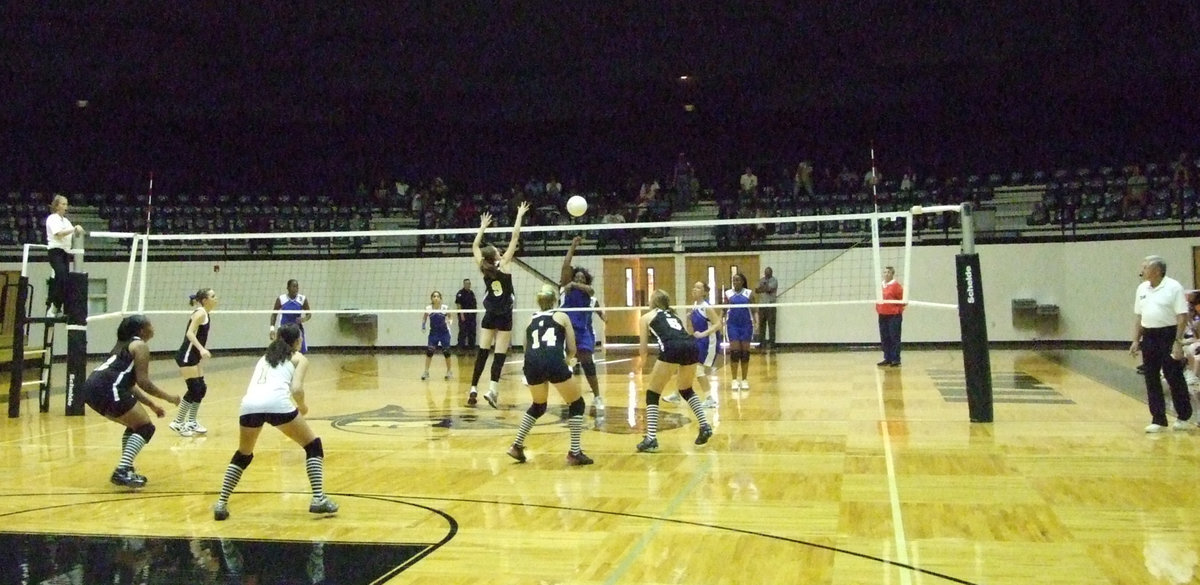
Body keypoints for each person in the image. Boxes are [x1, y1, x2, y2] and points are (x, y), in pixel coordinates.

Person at [212, 323, 338, 520]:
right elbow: (296, 389)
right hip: (277, 404)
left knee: (243, 454)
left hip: (249, 406)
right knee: (313, 445)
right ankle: (319, 499)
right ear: (297, 341)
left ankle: (221, 503)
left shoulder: (264, 357)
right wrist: (302, 407)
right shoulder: (298, 358)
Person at [82, 315, 181, 488]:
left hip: (92, 388)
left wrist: (151, 405)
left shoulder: (122, 345)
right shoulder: (140, 346)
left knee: (135, 426)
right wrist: (168, 397)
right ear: (142, 330)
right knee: (146, 428)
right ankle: (122, 469)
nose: (153, 328)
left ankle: (126, 468)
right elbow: (144, 382)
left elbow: (128, 384)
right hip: (107, 387)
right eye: (150, 325)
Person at [506, 284, 594, 466]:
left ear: (538, 301)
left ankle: (516, 445)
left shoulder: (531, 320)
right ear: (555, 300)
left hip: (531, 363)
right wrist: (566, 361)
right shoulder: (562, 316)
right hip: (553, 360)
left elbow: (525, 348)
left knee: (538, 406)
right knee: (577, 404)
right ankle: (575, 452)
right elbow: (572, 348)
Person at [634, 290, 714, 453]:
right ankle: (704, 425)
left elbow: (643, 349)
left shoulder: (646, 317)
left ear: (653, 302)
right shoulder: (674, 316)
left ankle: (651, 438)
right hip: (691, 346)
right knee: (686, 389)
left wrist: (640, 364)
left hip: (672, 348)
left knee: (652, 393)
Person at [468, 202, 530, 408]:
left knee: (483, 351)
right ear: (495, 254)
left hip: (490, 313)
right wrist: (519, 215)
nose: (499, 249)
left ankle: (473, 389)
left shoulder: (483, 267)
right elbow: (515, 238)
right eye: (496, 249)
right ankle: (493, 390)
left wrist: (483, 226)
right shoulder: (504, 264)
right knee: (500, 354)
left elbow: (475, 246)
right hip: (504, 315)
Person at [1132, 255, 1193, 433]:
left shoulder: (1173, 287)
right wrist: (1136, 340)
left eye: (1145, 267)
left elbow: (1182, 316)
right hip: (1149, 335)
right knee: (1151, 377)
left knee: (1173, 375)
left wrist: (1178, 342)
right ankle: (1158, 418)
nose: (1141, 271)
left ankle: (1183, 416)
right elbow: (1139, 316)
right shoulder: (1142, 288)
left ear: (1157, 271)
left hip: (1168, 334)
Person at [559, 236, 607, 412]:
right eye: (576, 277)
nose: (578, 279)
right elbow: (566, 265)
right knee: (562, 365)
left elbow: (591, 290)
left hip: (582, 332)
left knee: (587, 363)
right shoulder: (566, 286)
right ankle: (570, 396)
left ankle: (597, 396)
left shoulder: (588, 292)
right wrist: (572, 245)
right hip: (565, 331)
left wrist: (576, 284)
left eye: (582, 278)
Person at [665, 281, 723, 408]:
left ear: (704, 292)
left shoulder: (707, 307)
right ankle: (677, 394)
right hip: (698, 341)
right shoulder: (696, 305)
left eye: (698, 287)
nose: (694, 289)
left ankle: (709, 398)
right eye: (694, 287)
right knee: (685, 365)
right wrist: (691, 315)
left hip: (708, 342)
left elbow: (718, 324)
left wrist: (703, 334)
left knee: (698, 369)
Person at [170, 288, 218, 437]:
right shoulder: (200, 313)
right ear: (205, 300)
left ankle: (191, 421)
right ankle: (178, 422)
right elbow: (189, 333)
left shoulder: (206, 313)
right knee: (194, 389)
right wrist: (202, 349)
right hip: (187, 355)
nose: (216, 298)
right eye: (213, 296)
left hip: (194, 356)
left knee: (201, 388)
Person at [44, 194, 85, 318]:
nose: (65, 206)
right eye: (63, 204)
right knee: (61, 277)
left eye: (66, 204)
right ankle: (52, 305)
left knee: (64, 281)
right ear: (56, 205)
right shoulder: (52, 218)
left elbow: (73, 232)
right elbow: (59, 234)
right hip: (55, 251)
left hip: (65, 253)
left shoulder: (66, 221)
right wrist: (74, 229)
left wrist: (78, 230)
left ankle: (56, 305)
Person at [725, 272, 756, 390]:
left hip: (746, 325)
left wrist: (756, 322)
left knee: (745, 353)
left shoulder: (749, 293)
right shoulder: (728, 294)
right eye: (734, 280)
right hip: (732, 325)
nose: (735, 282)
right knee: (735, 352)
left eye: (738, 280)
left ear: (742, 281)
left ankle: (744, 379)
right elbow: (723, 309)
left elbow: (754, 309)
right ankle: (734, 380)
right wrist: (720, 321)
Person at [269, 279, 311, 353]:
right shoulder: (281, 299)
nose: (296, 289)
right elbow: (274, 314)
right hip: (284, 329)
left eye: (297, 287)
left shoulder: (302, 299)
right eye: (293, 286)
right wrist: (272, 329)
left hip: (297, 329)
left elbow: (309, 314)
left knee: (300, 352)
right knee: (282, 352)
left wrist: (303, 319)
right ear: (288, 288)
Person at [876, 266, 906, 366]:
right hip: (882, 314)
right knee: (885, 337)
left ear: (892, 274)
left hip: (894, 315)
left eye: (888, 272)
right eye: (884, 272)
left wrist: (897, 310)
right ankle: (887, 358)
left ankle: (896, 359)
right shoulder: (881, 285)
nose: (886, 274)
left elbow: (903, 300)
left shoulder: (896, 285)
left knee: (894, 337)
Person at [421, 291, 453, 380]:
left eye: (438, 296)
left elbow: (450, 317)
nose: (436, 298)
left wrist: (450, 321)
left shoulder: (445, 308)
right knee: (429, 352)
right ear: (431, 298)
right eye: (434, 296)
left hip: (444, 333)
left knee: (446, 352)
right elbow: (424, 318)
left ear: (440, 298)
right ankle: (426, 372)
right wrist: (423, 325)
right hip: (433, 333)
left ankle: (449, 371)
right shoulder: (428, 308)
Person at [755, 267, 778, 349]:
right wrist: (764, 288)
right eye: (765, 272)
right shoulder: (761, 280)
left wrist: (763, 288)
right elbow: (757, 290)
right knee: (762, 325)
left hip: (770, 305)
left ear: (771, 272)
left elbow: (769, 289)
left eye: (768, 272)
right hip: (762, 306)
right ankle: (762, 343)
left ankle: (772, 343)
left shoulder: (774, 280)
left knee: (771, 325)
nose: (766, 274)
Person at [455, 278, 478, 350]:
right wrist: (461, 315)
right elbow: (458, 304)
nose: (468, 285)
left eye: (469, 283)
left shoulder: (471, 293)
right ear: (464, 284)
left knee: (472, 331)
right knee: (463, 331)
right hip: (464, 315)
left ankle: (472, 347)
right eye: (466, 283)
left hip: (472, 316)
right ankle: (460, 348)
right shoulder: (460, 293)